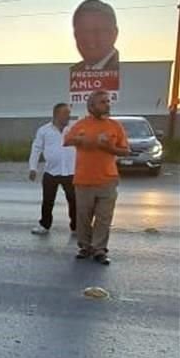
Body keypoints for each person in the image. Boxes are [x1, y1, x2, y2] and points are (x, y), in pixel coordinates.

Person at [64, 90, 129, 265]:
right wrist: (80, 140)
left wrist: (110, 148)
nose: (107, 104)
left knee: (104, 218)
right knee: (83, 216)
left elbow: (125, 150)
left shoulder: (115, 126)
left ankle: (99, 250)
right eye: (102, 102)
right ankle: (85, 247)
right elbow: (67, 140)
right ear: (91, 106)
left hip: (107, 180)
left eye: (108, 101)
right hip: (84, 180)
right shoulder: (81, 125)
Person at [29, 103, 77, 235]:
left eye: (69, 113)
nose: (68, 116)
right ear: (56, 114)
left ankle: (76, 226)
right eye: (65, 113)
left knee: (74, 200)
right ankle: (44, 224)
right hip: (51, 171)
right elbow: (36, 149)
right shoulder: (44, 130)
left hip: (70, 171)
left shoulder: (74, 129)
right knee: (48, 200)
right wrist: (33, 168)